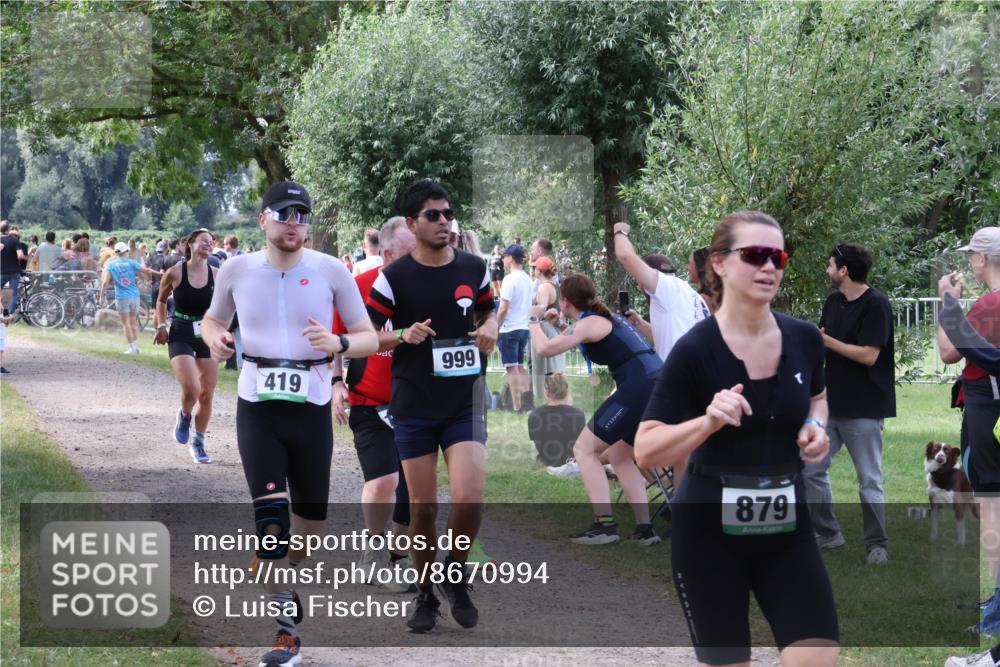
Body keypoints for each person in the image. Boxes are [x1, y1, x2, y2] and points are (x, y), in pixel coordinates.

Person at [634, 210, 837, 667]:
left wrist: (816, 427)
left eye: (778, 257)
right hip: (708, 537)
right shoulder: (695, 349)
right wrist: (707, 421)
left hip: (789, 529)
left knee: (818, 657)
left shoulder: (805, 338)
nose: (770, 267)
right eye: (756, 255)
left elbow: (819, 400)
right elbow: (646, 448)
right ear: (720, 264)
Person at [201, 181, 377, 667]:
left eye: (301, 215)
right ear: (263, 220)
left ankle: (276, 569)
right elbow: (213, 321)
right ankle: (286, 635)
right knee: (273, 520)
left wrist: (338, 344)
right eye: (282, 214)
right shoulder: (236, 269)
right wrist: (217, 339)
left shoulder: (331, 270)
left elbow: (367, 337)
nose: (293, 223)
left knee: (311, 529)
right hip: (258, 405)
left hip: (311, 405)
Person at [366, 178, 497, 633]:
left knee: (470, 497)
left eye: (448, 214)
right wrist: (401, 334)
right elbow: (368, 336)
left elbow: (487, 310)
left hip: (463, 401)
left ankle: (454, 573)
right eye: (433, 215)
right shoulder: (394, 277)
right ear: (411, 223)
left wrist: (491, 327)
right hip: (415, 404)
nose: (444, 222)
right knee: (422, 509)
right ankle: (425, 593)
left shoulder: (474, 267)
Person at [529, 273, 663, 546]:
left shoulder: (591, 322)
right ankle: (645, 531)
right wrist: (562, 324)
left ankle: (605, 527)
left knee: (583, 449)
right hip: (656, 384)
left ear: (565, 301)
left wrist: (531, 321)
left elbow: (544, 350)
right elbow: (585, 334)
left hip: (638, 388)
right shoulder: (602, 317)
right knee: (619, 455)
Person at [332, 216, 416, 592]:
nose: (418, 260)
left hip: (417, 402)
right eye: (409, 254)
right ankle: (373, 547)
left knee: (413, 490)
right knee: (384, 481)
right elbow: (336, 338)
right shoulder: (359, 287)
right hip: (369, 398)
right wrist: (336, 381)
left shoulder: (426, 288)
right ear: (386, 253)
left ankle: (399, 560)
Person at [803, 243, 895, 564]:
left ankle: (877, 545)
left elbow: (869, 356)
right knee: (811, 468)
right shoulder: (832, 302)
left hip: (865, 406)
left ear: (844, 270)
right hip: (830, 404)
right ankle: (828, 534)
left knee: (869, 479)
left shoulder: (876, 305)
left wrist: (826, 340)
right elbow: (823, 345)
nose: (827, 270)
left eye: (830, 265)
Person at [153, 228, 221, 464]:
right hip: (181, 330)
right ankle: (184, 416)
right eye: (203, 240)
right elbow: (161, 300)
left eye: (211, 241)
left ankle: (199, 443)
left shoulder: (217, 274)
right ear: (189, 244)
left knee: (206, 392)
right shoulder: (175, 272)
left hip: (207, 333)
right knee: (192, 387)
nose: (208, 244)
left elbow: (226, 306)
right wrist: (160, 325)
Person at [99, 242, 161, 354]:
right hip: (135, 296)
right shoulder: (132, 263)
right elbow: (147, 270)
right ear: (126, 252)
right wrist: (161, 274)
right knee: (133, 322)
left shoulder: (111, 265)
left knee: (126, 323)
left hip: (122, 297)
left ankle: (132, 347)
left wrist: (101, 296)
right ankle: (135, 347)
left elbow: (104, 282)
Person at [497, 243, 533, 412]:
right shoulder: (527, 278)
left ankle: (517, 406)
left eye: (504, 256)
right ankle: (527, 404)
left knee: (512, 368)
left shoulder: (509, 279)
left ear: (511, 258)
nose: (503, 259)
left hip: (509, 328)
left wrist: (495, 327)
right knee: (520, 366)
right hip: (523, 327)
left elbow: (503, 308)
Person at [527, 373, 585, 465]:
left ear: (546, 391)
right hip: (571, 461)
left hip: (546, 461)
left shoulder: (534, 415)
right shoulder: (578, 415)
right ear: (566, 391)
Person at [529, 256, 566, 396]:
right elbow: (561, 311)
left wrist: (532, 318)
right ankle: (557, 397)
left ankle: (549, 399)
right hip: (555, 328)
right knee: (555, 367)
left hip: (544, 329)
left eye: (534, 268)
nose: (533, 271)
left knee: (547, 369)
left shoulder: (544, 287)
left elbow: (542, 307)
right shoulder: (556, 286)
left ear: (539, 271)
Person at [0, 226, 26, 314]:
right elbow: (20, 255)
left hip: (1, 271)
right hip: (14, 271)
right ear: (8, 230)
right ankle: (10, 315)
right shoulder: (15, 241)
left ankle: (2, 311)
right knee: (13, 293)